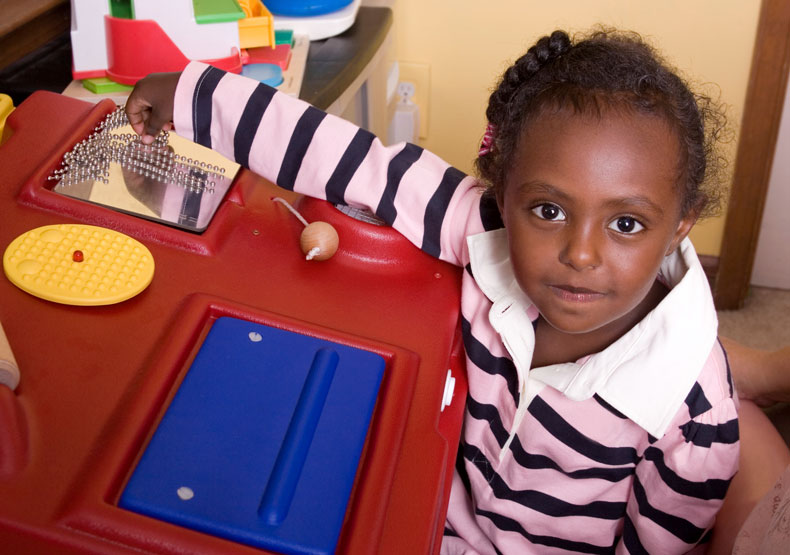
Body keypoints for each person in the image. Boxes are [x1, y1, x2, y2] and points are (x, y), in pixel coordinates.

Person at [126, 29, 739, 553]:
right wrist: (189, 96)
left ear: (680, 225)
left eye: (625, 224)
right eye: (548, 210)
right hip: (425, 515)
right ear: (502, 191)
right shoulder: (481, 226)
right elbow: (344, 155)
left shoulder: (696, 415)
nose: (581, 254)